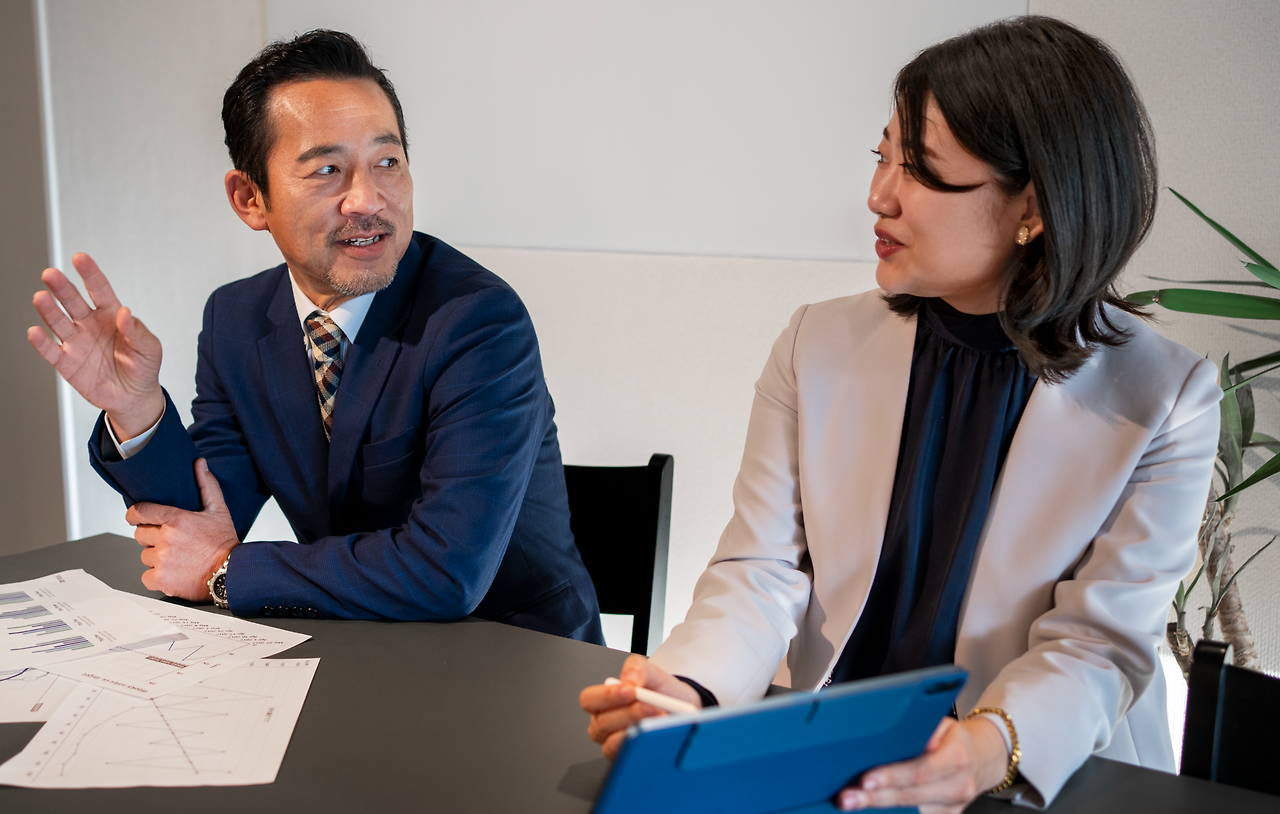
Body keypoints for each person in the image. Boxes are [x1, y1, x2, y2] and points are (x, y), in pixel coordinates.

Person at [580, 16, 1218, 811]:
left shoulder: (1166, 397)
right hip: (840, 762)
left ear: (1034, 206)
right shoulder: (817, 342)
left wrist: (983, 750)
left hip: (1036, 777)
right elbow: (761, 568)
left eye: (920, 171)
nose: (878, 195)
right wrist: (687, 687)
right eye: (883, 156)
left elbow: (1098, 645)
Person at [27, 30, 603, 643]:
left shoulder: (477, 320)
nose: (368, 199)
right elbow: (203, 520)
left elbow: (446, 570)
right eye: (328, 170)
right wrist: (137, 408)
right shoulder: (236, 320)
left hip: (513, 657)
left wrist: (227, 571)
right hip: (355, 645)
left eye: (387, 162)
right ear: (250, 198)